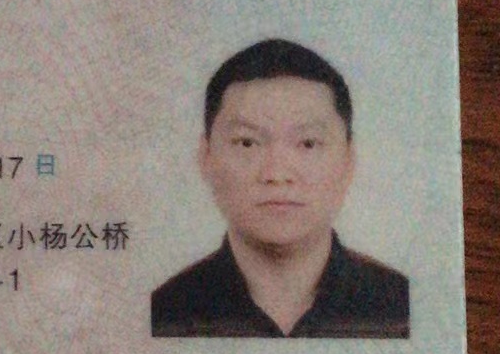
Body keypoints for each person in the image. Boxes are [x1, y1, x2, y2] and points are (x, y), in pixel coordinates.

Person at [151, 39, 410, 338]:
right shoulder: (165, 314)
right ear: (205, 157)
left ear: (349, 160)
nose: (277, 174)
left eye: (308, 143)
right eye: (247, 143)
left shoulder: (400, 308)